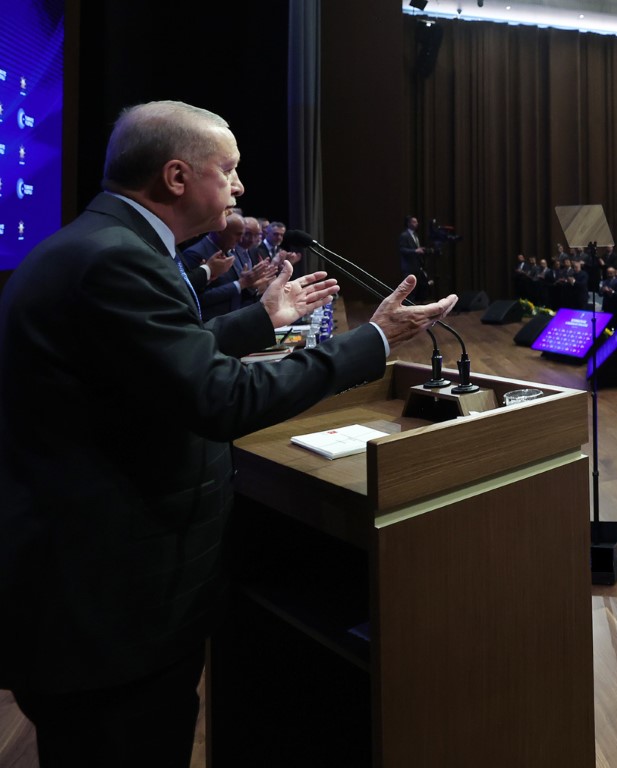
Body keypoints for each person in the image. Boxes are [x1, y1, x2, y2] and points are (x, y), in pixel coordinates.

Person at [0, 101, 458, 767]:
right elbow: (218, 396)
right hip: (108, 610)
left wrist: (263, 318)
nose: (241, 187)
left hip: (91, 596)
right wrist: (375, 342)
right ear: (178, 177)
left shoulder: (101, 245)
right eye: (229, 170)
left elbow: (160, 362)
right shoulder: (116, 261)